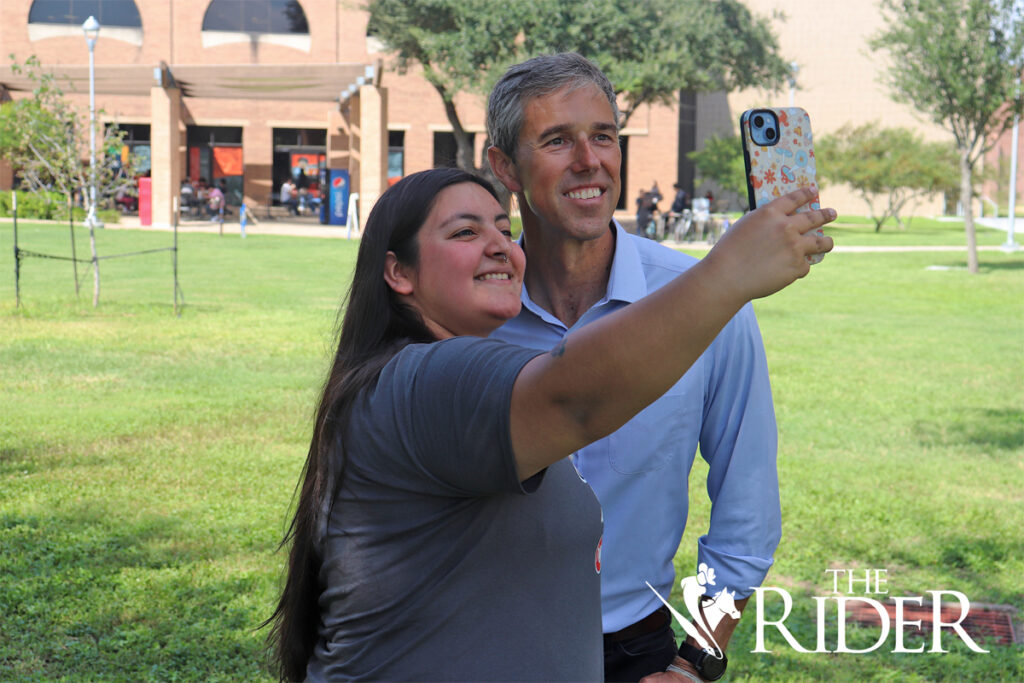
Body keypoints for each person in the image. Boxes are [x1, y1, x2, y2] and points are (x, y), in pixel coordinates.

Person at [266, 166, 833, 680]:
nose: (499, 246)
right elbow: (576, 400)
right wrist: (728, 274)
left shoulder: (426, 377)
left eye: (499, 225)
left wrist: (695, 659)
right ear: (399, 272)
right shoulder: (420, 383)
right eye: (465, 233)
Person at [486, 52, 831, 682]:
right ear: (503, 164)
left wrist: (697, 660)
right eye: (557, 140)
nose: (589, 161)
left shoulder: (706, 297)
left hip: (634, 650)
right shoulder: (473, 308)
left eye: (603, 136)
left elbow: (745, 503)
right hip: (483, 643)